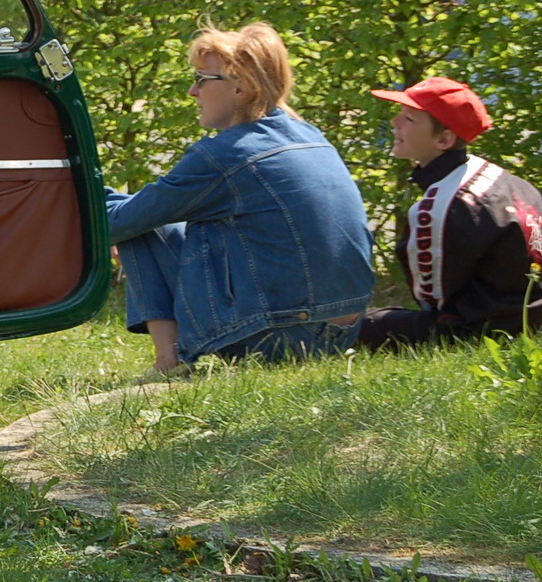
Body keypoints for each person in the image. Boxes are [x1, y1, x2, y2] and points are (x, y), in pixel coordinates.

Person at [106, 23, 374, 380]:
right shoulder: (310, 134)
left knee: (140, 227)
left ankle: (168, 364)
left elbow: (119, 221)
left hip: (284, 337)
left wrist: (74, 192)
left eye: (202, 79)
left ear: (241, 88)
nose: (192, 91)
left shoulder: (226, 154)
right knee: (157, 216)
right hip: (342, 333)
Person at [358, 78, 542, 348]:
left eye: (409, 119)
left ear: (444, 139)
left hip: (485, 331)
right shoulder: (501, 177)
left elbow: (432, 300)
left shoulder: (437, 208)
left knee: (354, 325)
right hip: (532, 318)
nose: (395, 122)